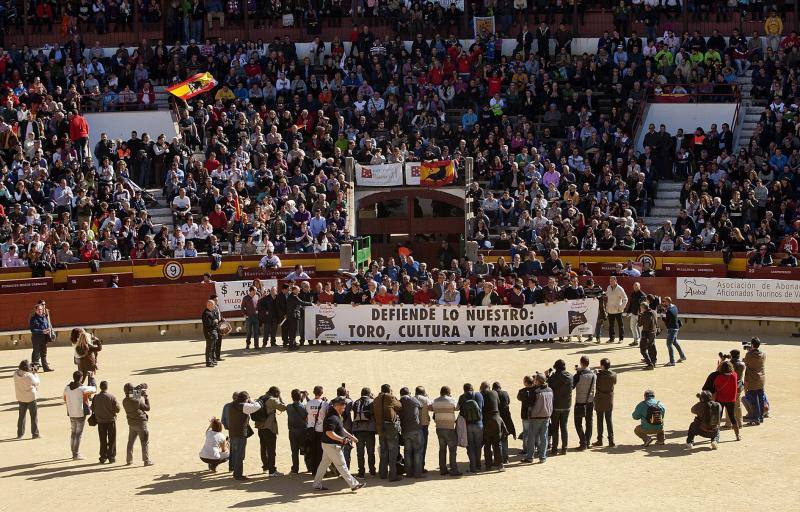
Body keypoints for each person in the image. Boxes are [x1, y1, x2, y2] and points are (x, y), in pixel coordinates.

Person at [312, 397, 365, 492]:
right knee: (341, 465)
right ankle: (354, 485)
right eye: (343, 405)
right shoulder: (332, 418)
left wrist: (351, 437)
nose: (344, 407)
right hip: (332, 445)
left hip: (327, 444)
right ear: (337, 406)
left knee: (323, 464)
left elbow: (341, 429)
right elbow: (329, 433)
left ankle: (316, 484)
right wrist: (342, 439)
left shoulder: (335, 415)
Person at [224, 390, 261, 479]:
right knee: (239, 455)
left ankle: (235, 472)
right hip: (240, 433)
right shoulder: (243, 406)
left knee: (235, 453)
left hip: (232, 433)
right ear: (245, 399)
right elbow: (258, 406)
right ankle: (238, 475)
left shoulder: (231, 405)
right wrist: (251, 400)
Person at [63, 370, 96, 460]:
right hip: (80, 413)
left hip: (71, 413)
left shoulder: (67, 388)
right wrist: (92, 378)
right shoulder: (82, 388)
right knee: (78, 434)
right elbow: (94, 389)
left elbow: (64, 398)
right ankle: (76, 454)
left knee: (73, 433)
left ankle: (73, 452)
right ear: (81, 378)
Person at [255, 386, 287, 476]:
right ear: (276, 393)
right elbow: (283, 408)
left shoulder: (261, 398)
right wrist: (280, 397)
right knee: (271, 449)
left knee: (263, 447)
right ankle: (272, 470)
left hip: (260, 426)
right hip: (269, 427)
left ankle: (265, 467)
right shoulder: (272, 400)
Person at [373, 383, 402, 481]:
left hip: (380, 427)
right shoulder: (390, 397)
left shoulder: (376, 399)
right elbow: (399, 406)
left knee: (384, 451)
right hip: (390, 426)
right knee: (392, 451)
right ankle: (393, 475)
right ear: (389, 390)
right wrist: (394, 397)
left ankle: (383, 474)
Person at [123, 382, 154, 467]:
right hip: (140, 424)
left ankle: (129, 460)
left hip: (132, 424)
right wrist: (145, 397)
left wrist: (138, 391)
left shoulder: (124, 401)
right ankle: (146, 461)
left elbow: (131, 397)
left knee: (130, 442)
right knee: (144, 442)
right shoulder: (137, 400)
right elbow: (147, 408)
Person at [432, 385, 460, 476]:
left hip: (439, 428)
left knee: (442, 449)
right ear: (449, 392)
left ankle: (443, 469)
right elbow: (457, 407)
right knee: (452, 450)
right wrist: (451, 398)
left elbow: (431, 408)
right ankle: (453, 469)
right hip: (449, 428)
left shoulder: (435, 401)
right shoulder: (452, 400)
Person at [547, 359, 572, 455]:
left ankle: (554, 448)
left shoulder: (554, 377)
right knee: (564, 426)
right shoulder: (570, 376)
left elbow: (549, 385)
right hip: (566, 405)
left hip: (556, 405)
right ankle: (564, 448)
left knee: (555, 427)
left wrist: (548, 376)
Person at [91, 380, 120, 463]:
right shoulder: (111, 397)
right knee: (112, 439)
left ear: (100, 387)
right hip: (110, 421)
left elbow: (92, 408)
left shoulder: (96, 397)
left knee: (102, 439)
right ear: (107, 387)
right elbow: (117, 410)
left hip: (100, 422)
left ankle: (103, 457)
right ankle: (111, 457)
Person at [457, 383, 484, 473]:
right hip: (479, 424)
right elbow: (482, 407)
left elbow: (459, 409)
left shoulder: (462, 397)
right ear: (472, 388)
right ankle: (479, 465)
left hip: (467, 425)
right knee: (478, 446)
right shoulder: (478, 395)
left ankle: (472, 466)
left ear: (464, 390)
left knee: (470, 447)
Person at [350, 387, 376, 478]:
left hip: (358, 430)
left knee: (360, 453)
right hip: (369, 430)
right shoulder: (372, 402)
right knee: (370, 452)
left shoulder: (356, 402)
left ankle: (361, 472)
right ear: (369, 393)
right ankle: (372, 471)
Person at [712, 361, 741, 441]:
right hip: (731, 399)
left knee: (718, 418)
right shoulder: (734, 375)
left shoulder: (719, 377)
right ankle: (738, 435)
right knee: (732, 417)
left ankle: (716, 436)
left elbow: (715, 385)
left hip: (720, 399)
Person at [399, 387, 424, 478]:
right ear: (409, 393)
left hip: (405, 430)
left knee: (407, 452)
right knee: (417, 451)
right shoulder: (414, 400)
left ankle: (409, 473)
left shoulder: (399, 402)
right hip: (416, 429)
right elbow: (421, 406)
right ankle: (417, 473)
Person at [573, 355, 596, 450]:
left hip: (580, 401)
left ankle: (583, 442)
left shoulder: (578, 375)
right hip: (590, 400)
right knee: (589, 422)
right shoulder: (594, 375)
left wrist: (578, 371)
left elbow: (572, 386)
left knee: (578, 423)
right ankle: (587, 441)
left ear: (581, 363)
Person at [479, 381, 504, 471]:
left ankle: (488, 465)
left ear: (481, 388)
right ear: (489, 387)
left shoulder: (480, 394)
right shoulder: (494, 393)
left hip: (486, 421)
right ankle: (500, 464)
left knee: (487, 444)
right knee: (497, 444)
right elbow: (499, 404)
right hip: (496, 420)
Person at [14, 360, 41, 439]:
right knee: (33, 417)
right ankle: (35, 434)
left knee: (21, 417)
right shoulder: (29, 375)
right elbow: (37, 382)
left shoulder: (15, 374)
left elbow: (22, 373)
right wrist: (35, 373)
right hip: (31, 398)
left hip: (21, 398)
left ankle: (20, 434)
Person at [743, 338, 767, 425]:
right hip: (761, 379)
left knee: (754, 399)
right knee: (760, 399)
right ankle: (760, 417)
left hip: (752, 379)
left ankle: (756, 419)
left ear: (752, 345)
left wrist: (749, 352)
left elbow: (746, 362)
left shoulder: (749, 354)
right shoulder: (763, 354)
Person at [305, 386, 327, 472]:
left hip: (311, 429)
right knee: (320, 451)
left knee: (312, 450)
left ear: (314, 392)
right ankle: (320, 470)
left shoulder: (309, 403)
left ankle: (313, 470)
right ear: (322, 393)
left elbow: (306, 415)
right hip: (320, 429)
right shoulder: (325, 404)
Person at [286, 389, 309, 474]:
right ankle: (309, 467)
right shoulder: (304, 407)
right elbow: (301, 407)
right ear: (300, 397)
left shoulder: (288, 407)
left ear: (292, 397)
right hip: (303, 432)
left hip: (292, 432)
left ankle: (295, 469)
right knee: (306, 450)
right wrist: (305, 396)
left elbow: (296, 404)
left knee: (294, 451)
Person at [493, 381, 516, 464]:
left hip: (496, 418)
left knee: (496, 440)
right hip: (505, 418)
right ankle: (505, 458)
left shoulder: (493, 394)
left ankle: (497, 459)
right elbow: (508, 402)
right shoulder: (505, 393)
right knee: (504, 439)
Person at [29, 301, 54, 371]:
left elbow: (47, 325)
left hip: (44, 338)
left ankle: (46, 368)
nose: (40, 311)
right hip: (36, 338)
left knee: (44, 353)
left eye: (41, 309)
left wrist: (48, 330)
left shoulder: (44, 317)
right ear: (36, 310)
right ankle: (33, 369)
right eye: (38, 310)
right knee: (36, 353)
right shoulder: (33, 318)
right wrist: (42, 331)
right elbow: (32, 330)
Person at [286, 285, 313, 350]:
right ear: (294, 290)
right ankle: (291, 346)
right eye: (298, 290)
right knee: (293, 331)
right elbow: (301, 302)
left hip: (292, 316)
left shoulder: (292, 296)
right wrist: (311, 303)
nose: (299, 291)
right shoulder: (294, 296)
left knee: (293, 331)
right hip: (293, 316)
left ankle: (293, 344)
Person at [662, 297, 686, 366]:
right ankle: (682, 356)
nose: (663, 303)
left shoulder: (669, 311)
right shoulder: (674, 307)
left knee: (669, 344)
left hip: (672, 329)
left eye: (664, 301)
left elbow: (667, 322)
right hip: (676, 327)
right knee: (675, 342)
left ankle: (672, 361)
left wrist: (662, 317)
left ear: (667, 302)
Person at [414, 386, 432, 474]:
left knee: (414, 448)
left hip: (413, 427)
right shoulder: (425, 399)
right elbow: (431, 407)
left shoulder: (412, 399)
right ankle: (421, 467)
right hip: (424, 426)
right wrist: (427, 397)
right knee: (423, 448)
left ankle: (414, 467)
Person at [605, 276, 628, 343]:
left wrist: (621, 307)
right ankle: (611, 338)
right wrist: (602, 294)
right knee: (611, 325)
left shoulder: (620, 288)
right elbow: (607, 294)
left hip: (618, 310)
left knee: (620, 325)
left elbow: (625, 299)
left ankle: (621, 339)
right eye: (610, 281)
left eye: (612, 281)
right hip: (610, 310)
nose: (610, 282)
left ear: (615, 281)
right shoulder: (608, 287)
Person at [638, 302, 659, 370]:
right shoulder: (654, 312)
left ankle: (650, 364)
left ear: (643, 308)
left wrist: (640, 316)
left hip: (646, 333)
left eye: (641, 308)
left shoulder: (644, 314)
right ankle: (654, 361)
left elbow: (640, 324)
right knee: (652, 347)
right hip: (653, 332)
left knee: (643, 349)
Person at [625, 282, 646, 347]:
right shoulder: (633, 294)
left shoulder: (642, 294)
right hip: (634, 314)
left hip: (640, 315)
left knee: (641, 329)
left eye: (636, 286)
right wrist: (628, 312)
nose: (635, 287)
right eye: (634, 286)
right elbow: (631, 303)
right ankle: (636, 340)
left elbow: (644, 306)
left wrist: (642, 313)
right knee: (632, 326)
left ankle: (642, 342)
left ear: (639, 286)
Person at [201, 299, 220, 367]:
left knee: (213, 347)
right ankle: (208, 362)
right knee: (209, 347)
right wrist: (215, 321)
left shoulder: (211, 312)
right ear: (209, 305)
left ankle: (213, 360)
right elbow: (207, 324)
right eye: (213, 305)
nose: (214, 306)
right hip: (209, 332)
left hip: (213, 332)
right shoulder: (206, 313)